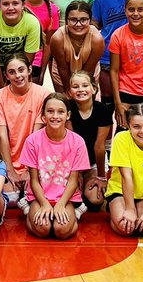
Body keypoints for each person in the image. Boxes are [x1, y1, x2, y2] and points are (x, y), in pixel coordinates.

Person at [19, 94, 91, 239]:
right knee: (43, 229)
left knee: (61, 231)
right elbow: (34, 180)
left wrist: (61, 204)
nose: (55, 116)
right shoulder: (32, 140)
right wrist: (44, 204)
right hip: (39, 196)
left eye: (60, 112)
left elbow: (73, 180)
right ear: (43, 115)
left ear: (68, 115)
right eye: (50, 111)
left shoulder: (77, 142)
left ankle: (76, 213)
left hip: (65, 197)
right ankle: (27, 209)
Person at [0, 54, 51, 201]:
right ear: (6, 75)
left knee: (36, 195)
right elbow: (2, 136)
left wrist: (29, 170)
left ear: (29, 70)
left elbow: (35, 138)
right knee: (11, 198)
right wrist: (10, 170)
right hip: (8, 159)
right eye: (12, 72)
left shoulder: (44, 95)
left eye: (21, 70)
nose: (17, 76)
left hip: (34, 160)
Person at [105, 103, 143, 237]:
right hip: (120, 191)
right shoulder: (121, 139)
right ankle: (113, 210)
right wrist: (130, 209)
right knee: (125, 228)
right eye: (136, 126)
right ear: (128, 126)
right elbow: (126, 177)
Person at [65, 70, 113, 209]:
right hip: (72, 162)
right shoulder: (68, 108)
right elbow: (71, 145)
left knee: (96, 200)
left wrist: (102, 177)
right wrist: (76, 173)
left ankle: (87, 183)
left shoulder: (102, 110)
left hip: (93, 162)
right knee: (71, 195)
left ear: (94, 89)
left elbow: (99, 147)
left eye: (85, 85)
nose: (81, 90)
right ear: (69, 92)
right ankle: (81, 184)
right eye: (75, 87)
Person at [48, 0, 104, 93]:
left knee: (86, 104)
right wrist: (69, 92)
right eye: (73, 20)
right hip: (62, 76)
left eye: (83, 20)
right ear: (66, 21)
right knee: (65, 104)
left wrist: (80, 89)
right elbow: (62, 69)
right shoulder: (57, 38)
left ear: (90, 20)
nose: (78, 24)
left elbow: (88, 71)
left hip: (88, 74)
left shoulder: (97, 39)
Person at [23, 0, 60, 82]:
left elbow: (48, 44)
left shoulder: (52, 10)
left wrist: (43, 71)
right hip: (13, 58)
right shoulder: (15, 4)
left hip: (35, 61)